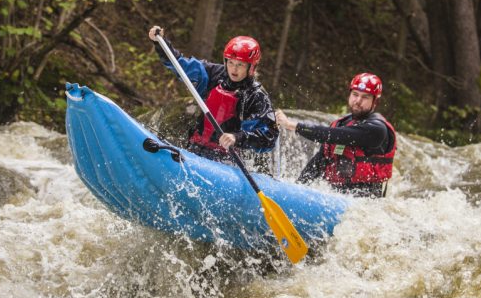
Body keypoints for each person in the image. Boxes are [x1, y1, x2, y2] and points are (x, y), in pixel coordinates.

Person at [148, 26, 278, 165]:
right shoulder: (214, 74)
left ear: (251, 67)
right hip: (195, 149)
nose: (234, 69)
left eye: (240, 65)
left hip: (227, 161)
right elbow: (181, 65)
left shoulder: (256, 96)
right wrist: (161, 43)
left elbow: (269, 138)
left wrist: (237, 137)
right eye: (231, 62)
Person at [275, 73, 396, 198]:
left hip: (365, 202)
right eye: (355, 94)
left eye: (365, 97)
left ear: (375, 101)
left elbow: (333, 135)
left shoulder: (377, 129)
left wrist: (292, 125)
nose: (358, 101)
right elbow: (317, 163)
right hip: (336, 198)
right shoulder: (341, 124)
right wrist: (297, 189)